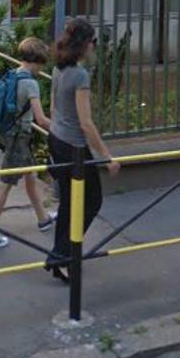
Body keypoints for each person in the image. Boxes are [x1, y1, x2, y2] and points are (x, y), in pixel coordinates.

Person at [44, 17, 119, 283]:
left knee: (69, 201)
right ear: (85, 43)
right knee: (92, 201)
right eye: (93, 41)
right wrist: (107, 157)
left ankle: (61, 257)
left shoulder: (59, 69)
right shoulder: (80, 75)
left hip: (56, 139)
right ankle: (62, 255)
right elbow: (86, 123)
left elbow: (53, 108)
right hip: (74, 147)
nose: (94, 46)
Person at [0, 37, 56, 247]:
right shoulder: (30, 83)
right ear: (36, 60)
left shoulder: (13, 74)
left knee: (30, 177)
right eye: (42, 64)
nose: (42, 69)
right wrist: (63, 129)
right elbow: (41, 119)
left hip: (10, 133)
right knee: (5, 185)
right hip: (19, 138)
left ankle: (43, 219)